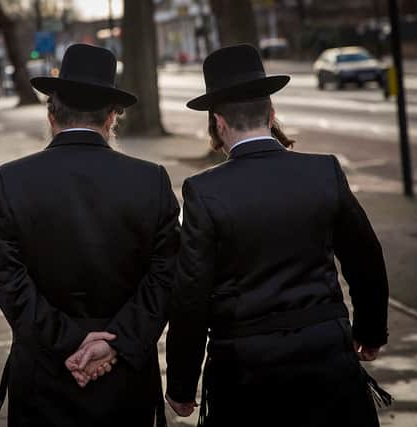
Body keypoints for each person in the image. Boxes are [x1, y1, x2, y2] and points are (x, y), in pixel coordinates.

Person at [165, 44, 390, 426]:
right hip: (327, 357)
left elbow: (191, 296)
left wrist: (183, 385)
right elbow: (365, 259)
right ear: (271, 115)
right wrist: (370, 332)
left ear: (218, 123)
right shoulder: (324, 172)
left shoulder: (203, 191)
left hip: (245, 371)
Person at [0, 44, 179, 427]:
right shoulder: (150, 181)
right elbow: (167, 277)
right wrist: (114, 341)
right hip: (124, 378)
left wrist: (68, 340)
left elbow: (7, 280)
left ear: (51, 114)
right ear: (111, 118)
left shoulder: (9, 181)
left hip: (44, 373)